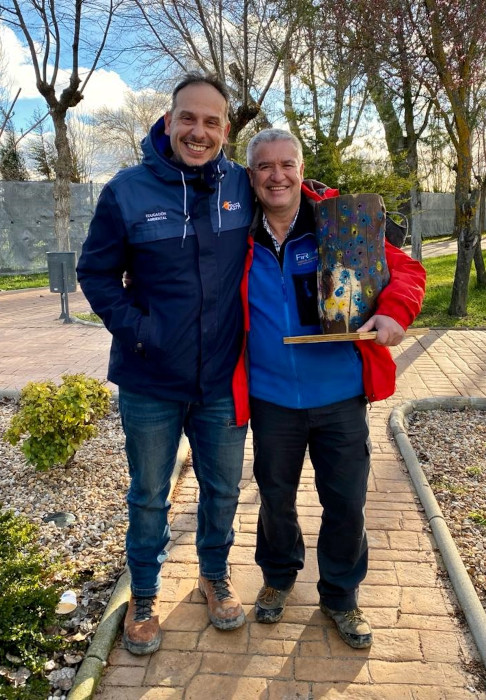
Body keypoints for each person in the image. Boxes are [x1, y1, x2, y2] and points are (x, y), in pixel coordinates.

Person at [77, 73, 254, 656]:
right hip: (150, 379)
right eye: (188, 119)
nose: (198, 132)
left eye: (211, 122)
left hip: (222, 379)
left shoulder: (243, 185)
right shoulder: (127, 192)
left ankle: (213, 574)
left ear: (225, 130)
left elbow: (296, 205)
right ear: (169, 120)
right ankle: (146, 594)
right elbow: (95, 274)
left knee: (223, 489)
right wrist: (139, 332)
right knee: (150, 493)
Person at [244, 129, 426, 649]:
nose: (277, 176)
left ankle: (341, 596)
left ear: (302, 169)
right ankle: (279, 577)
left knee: (344, 502)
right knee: (276, 499)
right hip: (272, 398)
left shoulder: (340, 222)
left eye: (287, 164)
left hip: (339, 395)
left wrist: (393, 313)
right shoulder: (235, 232)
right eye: (264, 167)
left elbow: (408, 271)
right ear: (251, 175)